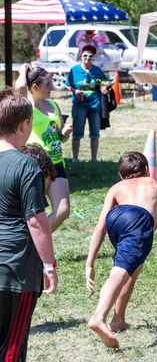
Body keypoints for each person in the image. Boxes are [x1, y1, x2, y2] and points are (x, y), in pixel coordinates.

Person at [0, 88, 57, 361]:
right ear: (24, 125)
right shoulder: (26, 165)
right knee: (12, 347)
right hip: (16, 269)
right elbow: (35, 221)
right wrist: (49, 265)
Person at [86, 151, 157, 348]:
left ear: (121, 175)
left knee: (131, 268)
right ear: (146, 170)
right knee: (119, 272)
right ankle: (98, 317)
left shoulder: (116, 188)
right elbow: (155, 223)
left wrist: (89, 263)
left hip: (116, 218)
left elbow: (100, 227)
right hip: (138, 220)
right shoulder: (152, 183)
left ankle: (118, 320)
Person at [15, 65, 73, 231]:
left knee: (63, 210)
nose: (52, 86)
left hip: (56, 162)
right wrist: (22, 71)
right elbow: (19, 88)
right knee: (32, 213)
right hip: (36, 164)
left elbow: (60, 137)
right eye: (47, 84)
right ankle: (30, 243)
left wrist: (65, 133)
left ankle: (36, 243)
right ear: (35, 87)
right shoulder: (27, 107)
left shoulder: (54, 105)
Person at [66, 44, 110, 162]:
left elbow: (104, 82)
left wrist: (103, 88)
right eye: (85, 55)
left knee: (95, 133)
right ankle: (75, 158)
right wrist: (75, 91)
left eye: (90, 56)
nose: (87, 58)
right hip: (79, 105)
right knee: (77, 133)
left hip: (94, 105)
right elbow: (68, 85)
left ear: (93, 57)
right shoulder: (74, 70)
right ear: (80, 55)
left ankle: (94, 159)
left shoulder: (97, 71)